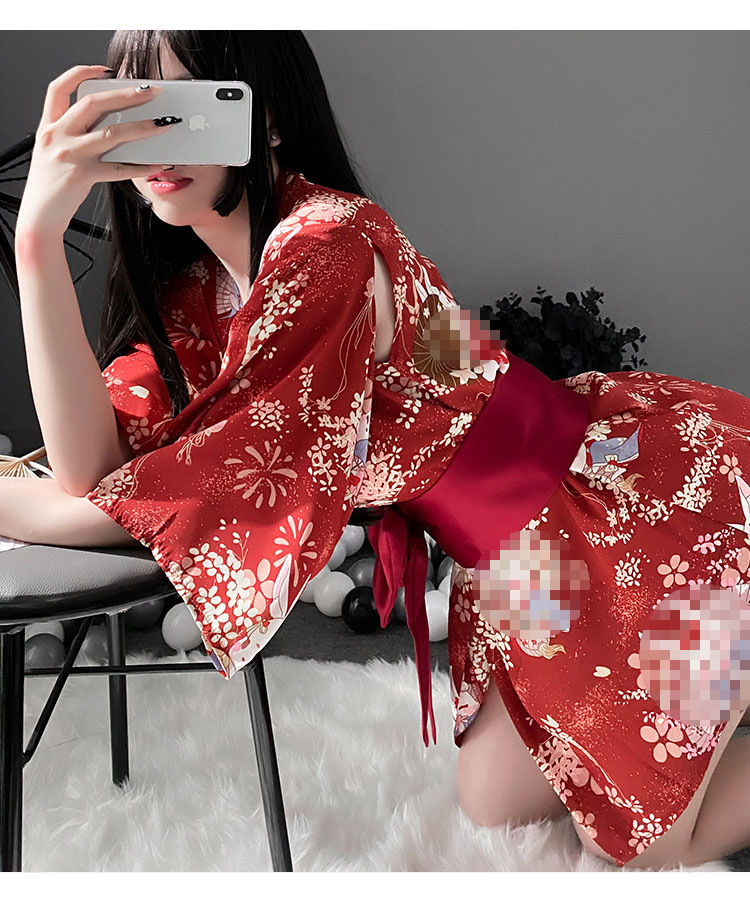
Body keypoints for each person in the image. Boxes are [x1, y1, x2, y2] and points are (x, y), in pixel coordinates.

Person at [9, 30, 750, 872]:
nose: (159, 142)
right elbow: (95, 467)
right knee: (495, 801)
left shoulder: (329, 243)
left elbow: (218, 485)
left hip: (628, 502)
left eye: (190, 105)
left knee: (652, 849)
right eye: (138, 108)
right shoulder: (206, 292)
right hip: (522, 557)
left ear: (269, 118)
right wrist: (37, 239)